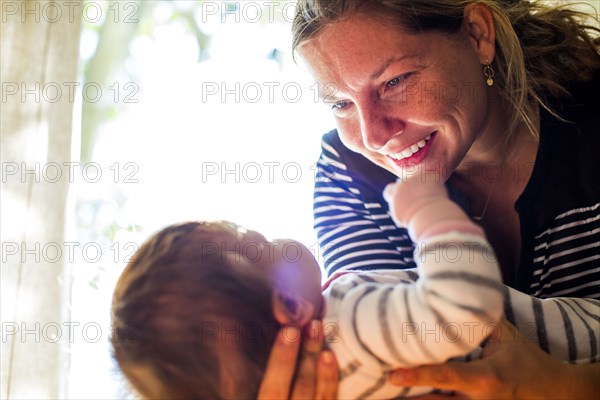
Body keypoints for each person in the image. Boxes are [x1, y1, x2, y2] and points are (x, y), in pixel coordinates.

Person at [255, 0, 599, 397]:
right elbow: (403, 373)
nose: (373, 136)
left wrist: (571, 386)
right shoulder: (349, 172)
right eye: (341, 103)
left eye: (394, 81)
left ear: (477, 34)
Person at [110, 171, 598, 398]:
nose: (279, 236)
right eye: (258, 240)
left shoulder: (347, 376)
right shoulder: (349, 324)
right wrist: (428, 212)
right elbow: (465, 307)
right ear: (291, 307)